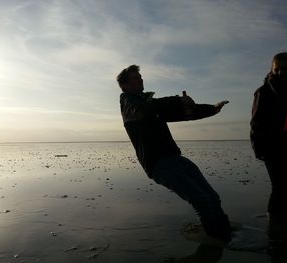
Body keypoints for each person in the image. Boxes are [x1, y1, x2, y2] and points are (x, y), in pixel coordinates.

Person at [117, 64, 231, 242]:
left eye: (140, 77)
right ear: (125, 86)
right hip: (158, 164)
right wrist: (177, 99)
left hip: (174, 158)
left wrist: (211, 109)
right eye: (135, 78)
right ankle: (216, 240)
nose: (141, 79)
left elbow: (182, 113)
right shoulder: (128, 103)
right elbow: (144, 110)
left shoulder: (149, 104)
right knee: (201, 199)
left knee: (212, 197)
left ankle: (226, 232)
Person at [250, 52, 287, 221]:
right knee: (280, 186)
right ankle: (274, 225)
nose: (280, 72)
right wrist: (259, 150)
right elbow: (256, 124)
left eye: (285, 69)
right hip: (273, 148)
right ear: (272, 69)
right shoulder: (263, 92)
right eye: (277, 69)